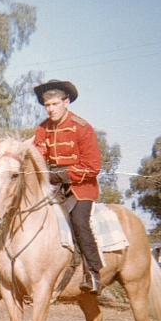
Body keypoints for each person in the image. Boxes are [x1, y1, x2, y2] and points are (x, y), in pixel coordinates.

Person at [33, 80, 103, 294]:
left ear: (66, 102)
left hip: (81, 187)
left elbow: (93, 167)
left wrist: (61, 175)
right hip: (52, 185)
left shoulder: (83, 128)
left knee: (79, 222)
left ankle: (92, 273)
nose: (51, 109)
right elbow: (38, 154)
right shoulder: (43, 128)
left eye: (54, 104)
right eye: (47, 105)